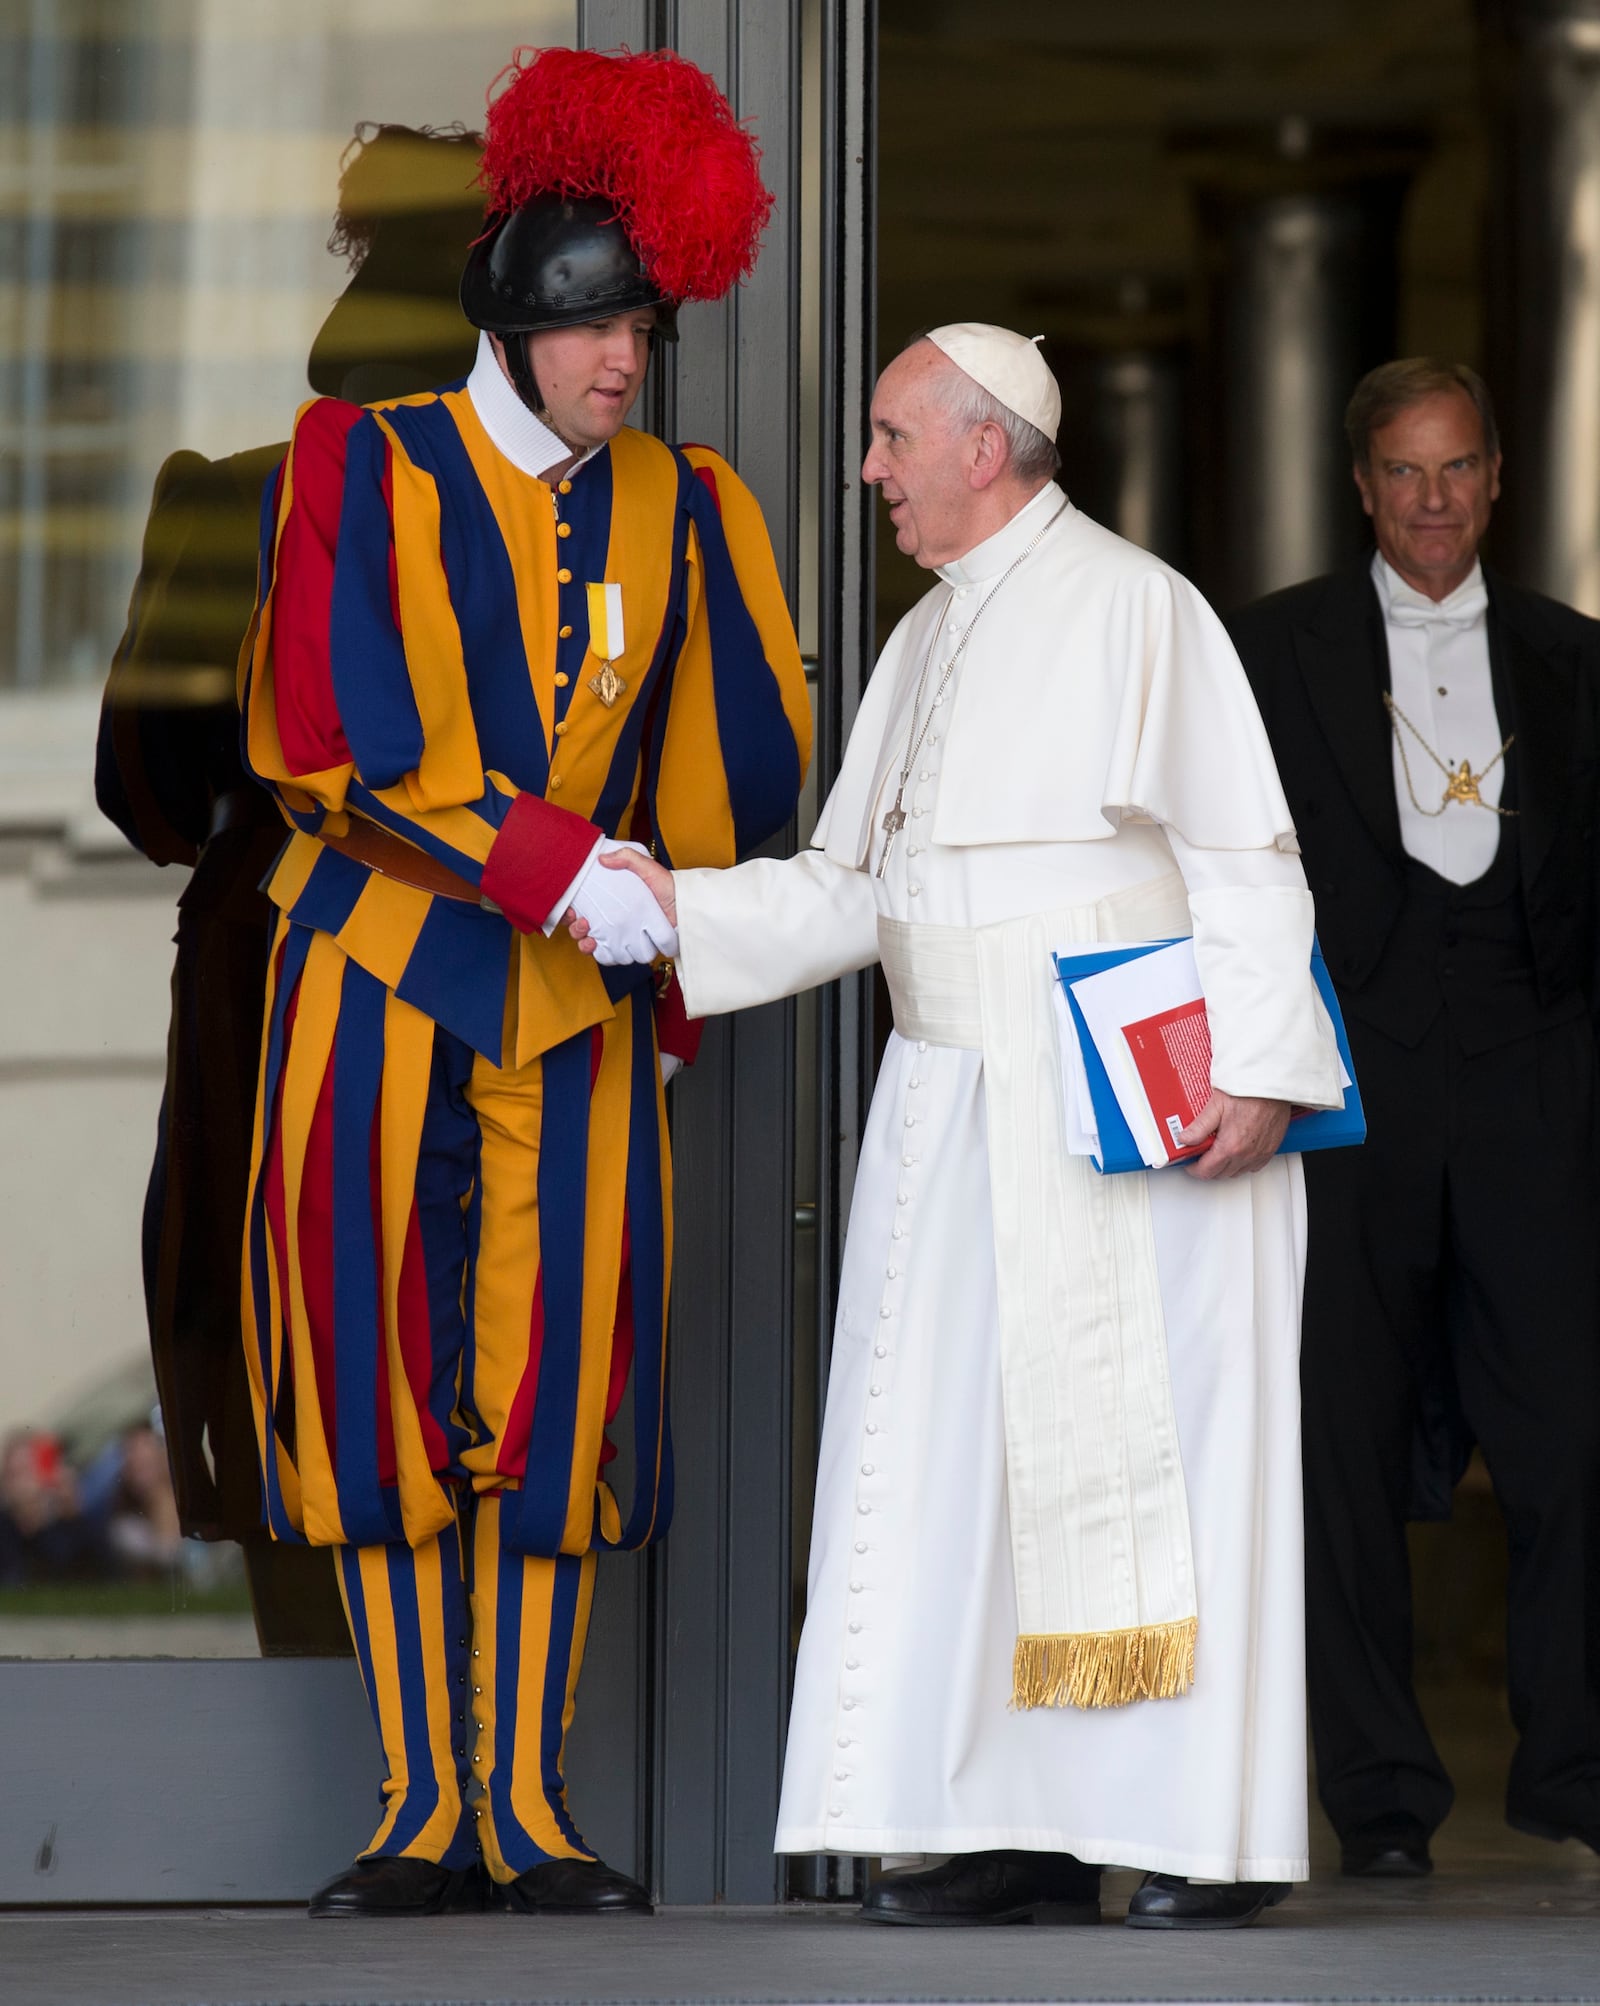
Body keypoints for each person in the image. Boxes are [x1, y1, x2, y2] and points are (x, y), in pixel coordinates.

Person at [571, 324, 1344, 1929]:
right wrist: (674, 909)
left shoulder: (1141, 608)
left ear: (983, 447)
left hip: (1129, 1126)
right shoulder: (924, 642)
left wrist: (1263, 1071)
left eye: (888, 437)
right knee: (961, 1479)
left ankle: (1203, 1832)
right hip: (948, 1111)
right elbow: (863, 890)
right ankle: (1018, 1827)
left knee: (1159, 1478)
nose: (869, 470)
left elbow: (1249, 857)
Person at [238, 48, 810, 1918]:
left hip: (574, 1022)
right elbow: (332, 742)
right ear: (510, 313)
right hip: (382, 987)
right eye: (594, 326)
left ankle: (530, 1807)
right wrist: (572, 869)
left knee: (559, 1395)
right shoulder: (363, 465)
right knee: (377, 1368)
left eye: (640, 325)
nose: (626, 359)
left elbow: (748, 777)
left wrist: (689, 927)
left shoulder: (689, 499)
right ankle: (420, 1807)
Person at [96, 121, 485, 1654]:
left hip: (270, 962)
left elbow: (148, 795)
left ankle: (345, 1727)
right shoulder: (564, 514)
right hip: (468, 959)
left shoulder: (230, 499)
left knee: (281, 1350)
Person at [1228, 359, 1600, 1876]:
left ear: (1498, 476)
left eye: (1457, 470)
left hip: (1536, 1067)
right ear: (1362, 483)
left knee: (1572, 1438)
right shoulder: (1271, 651)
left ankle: (1575, 1769)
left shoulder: (1582, 661)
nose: (1432, 500)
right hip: (1356, 1074)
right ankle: (1379, 1796)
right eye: (1404, 471)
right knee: (1341, 1438)